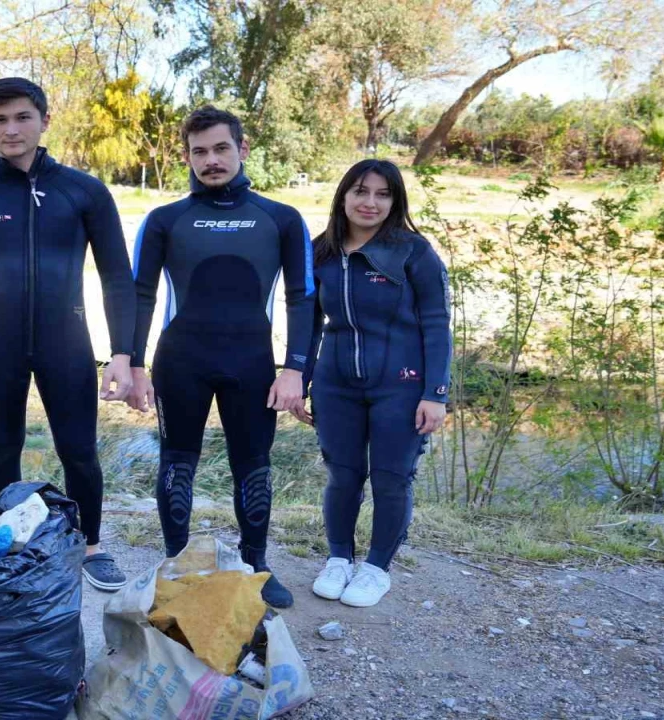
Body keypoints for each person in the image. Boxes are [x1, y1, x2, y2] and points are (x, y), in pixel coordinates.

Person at [0, 77, 136, 592]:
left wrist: (123, 354)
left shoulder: (83, 190)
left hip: (68, 341)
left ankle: (91, 544)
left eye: (22, 117)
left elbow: (117, 276)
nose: (11, 129)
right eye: (0, 119)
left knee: (79, 450)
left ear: (44, 120)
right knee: (1, 448)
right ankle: (9, 540)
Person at [126, 105, 314, 608]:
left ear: (242, 149)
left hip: (252, 363)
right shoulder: (166, 220)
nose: (210, 160)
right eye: (199, 151)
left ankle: (256, 564)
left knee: (253, 465)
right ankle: (177, 564)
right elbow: (140, 293)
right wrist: (133, 364)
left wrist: (296, 369)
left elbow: (303, 296)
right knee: (177, 463)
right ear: (186, 156)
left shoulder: (282, 219)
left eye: (221, 148)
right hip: (180, 361)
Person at [301, 159, 451, 608]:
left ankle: (375, 568)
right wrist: (300, 379)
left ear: (395, 200)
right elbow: (306, 326)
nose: (370, 202)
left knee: (391, 478)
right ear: (343, 195)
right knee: (342, 476)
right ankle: (339, 558)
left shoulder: (413, 252)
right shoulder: (321, 252)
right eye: (360, 191)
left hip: (401, 385)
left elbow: (438, 324)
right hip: (336, 383)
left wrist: (435, 393)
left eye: (382, 194)